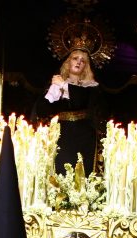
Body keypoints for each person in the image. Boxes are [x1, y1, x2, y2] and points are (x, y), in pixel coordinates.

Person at [32, 34, 108, 176]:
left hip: (85, 134)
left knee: (83, 173)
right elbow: (42, 110)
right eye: (75, 58)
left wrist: (64, 85)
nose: (78, 62)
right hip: (63, 134)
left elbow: (81, 100)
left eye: (83, 61)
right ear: (68, 61)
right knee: (62, 171)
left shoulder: (91, 86)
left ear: (86, 66)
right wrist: (52, 93)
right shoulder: (57, 83)